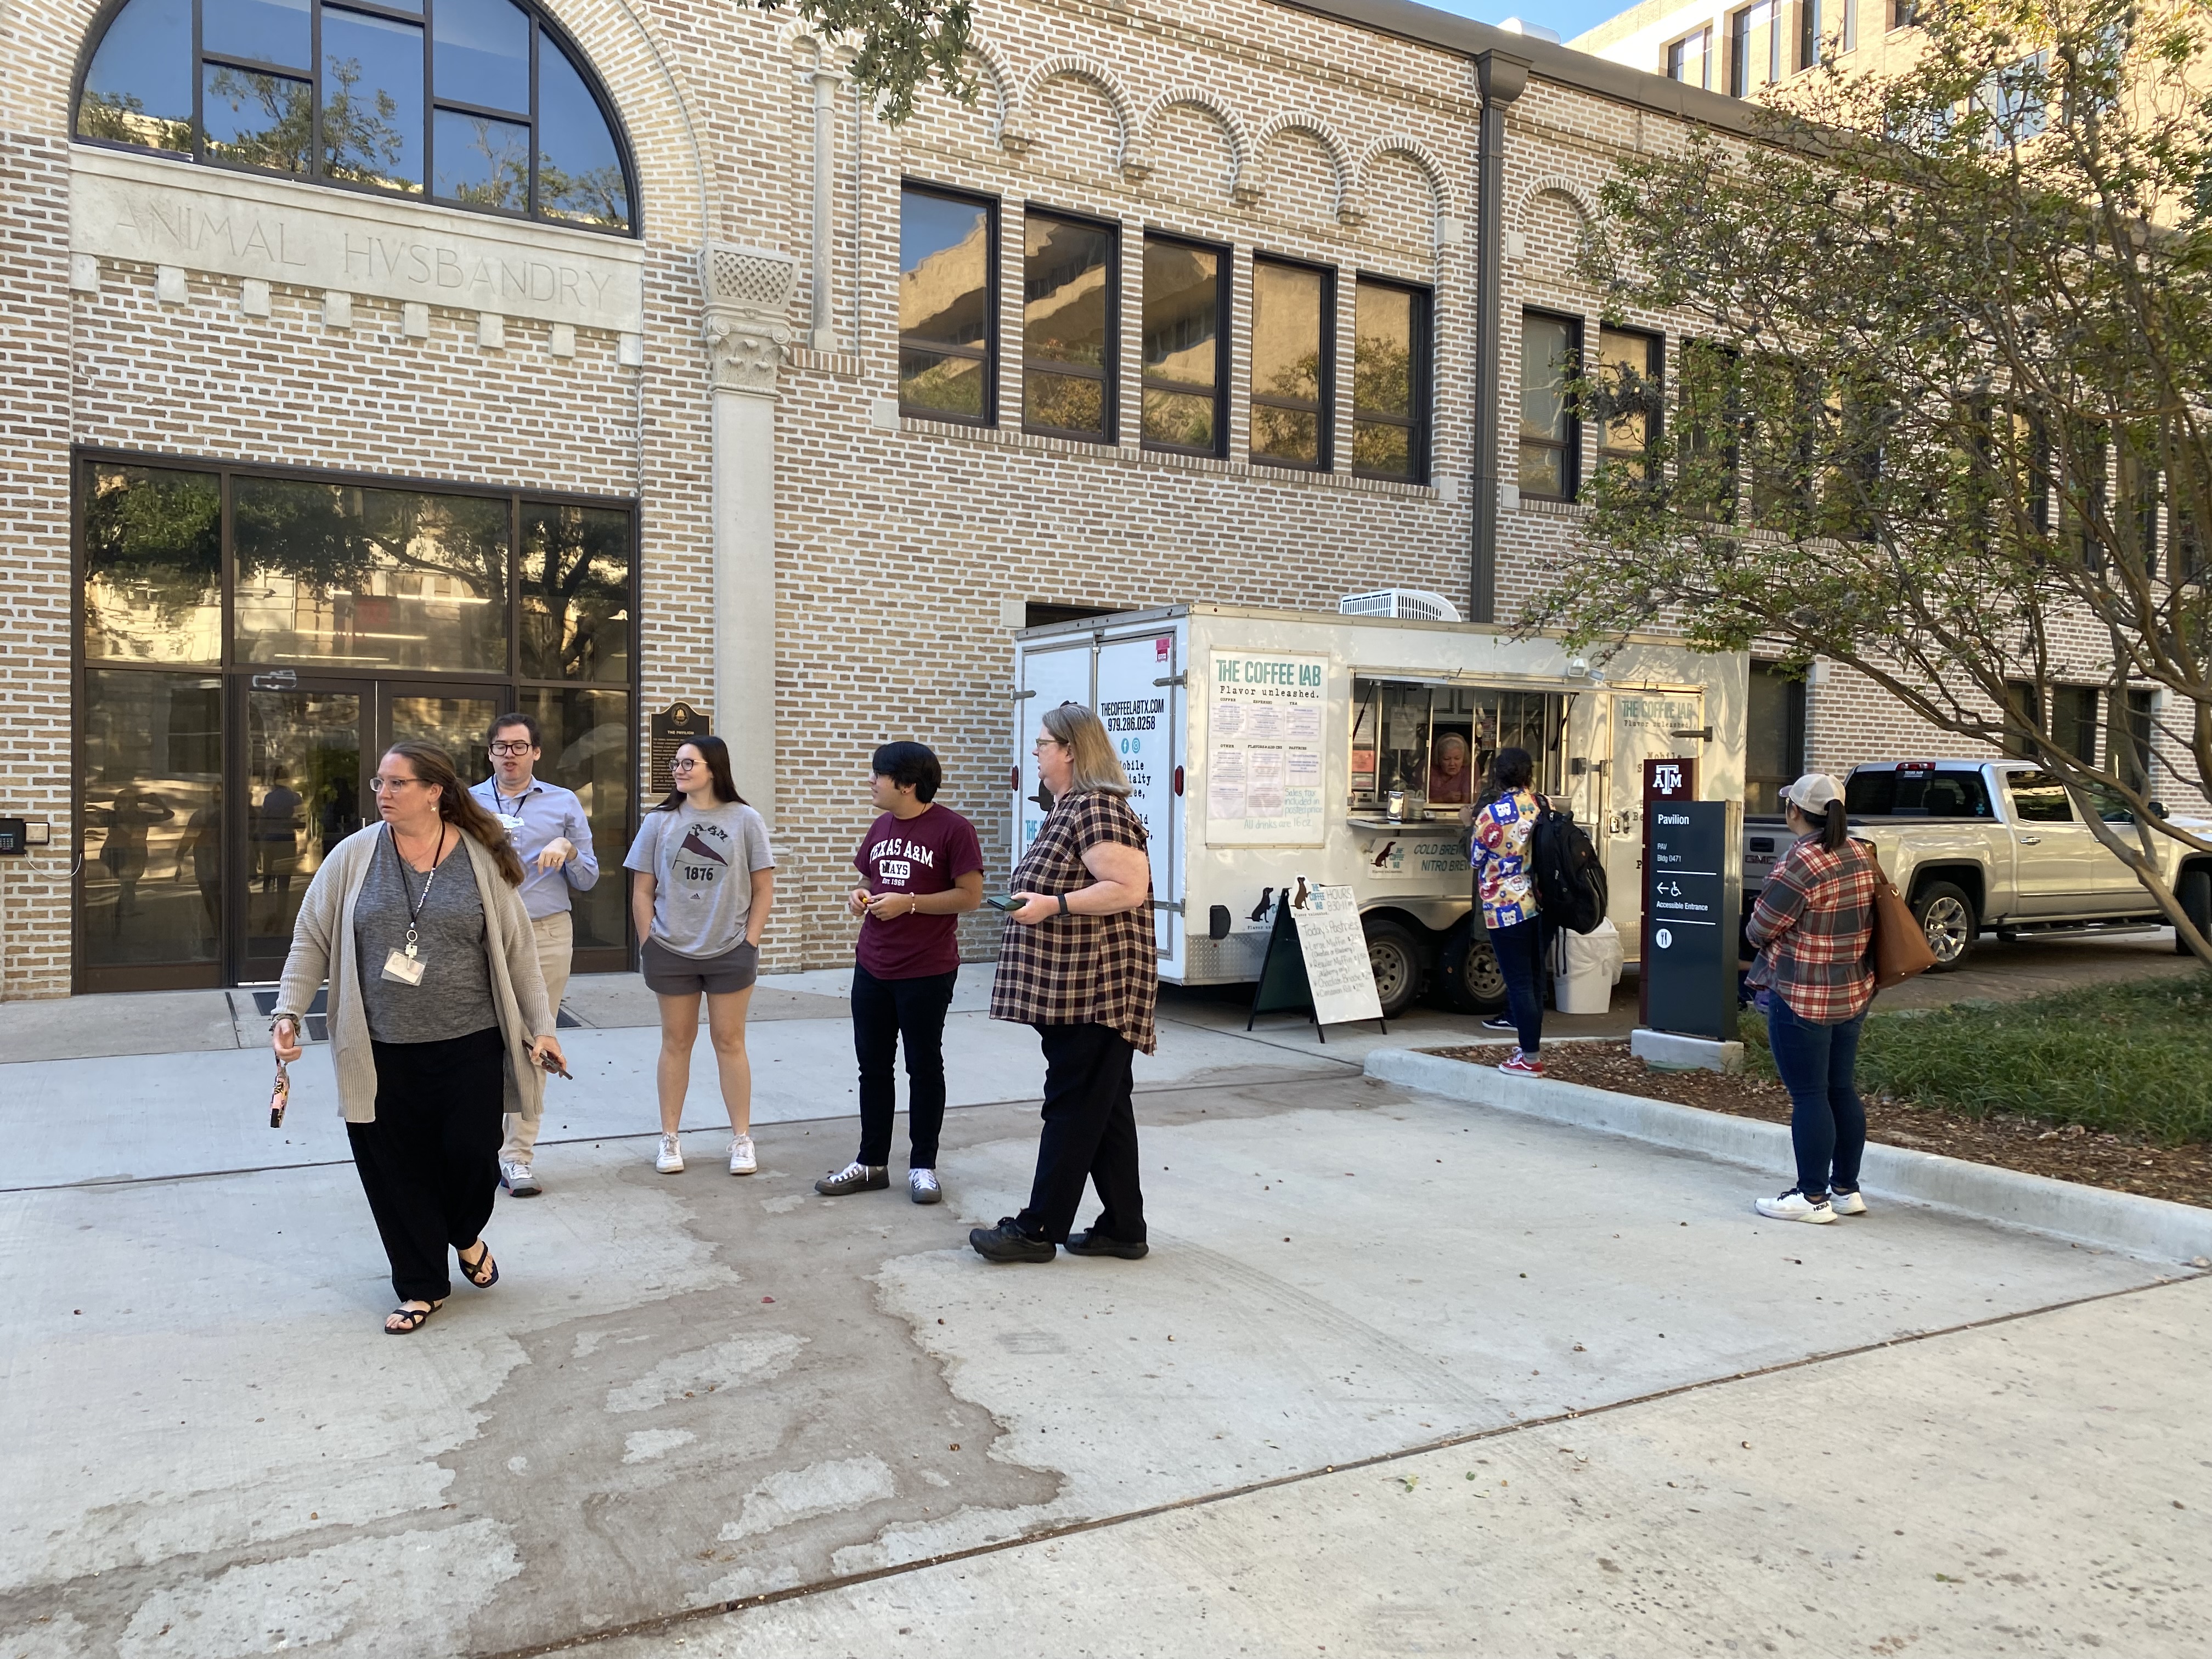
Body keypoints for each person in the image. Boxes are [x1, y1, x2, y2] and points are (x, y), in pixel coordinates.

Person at [269, 741, 565, 1335]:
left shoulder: (481, 859)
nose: (383, 793)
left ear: (434, 792)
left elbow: (520, 956)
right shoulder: (353, 857)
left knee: (470, 1160)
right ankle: (421, 1285)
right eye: (380, 782)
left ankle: (464, 1234)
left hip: (471, 1044)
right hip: (378, 1050)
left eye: (397, 783)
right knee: (395, 1174)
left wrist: (542, 1028)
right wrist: (289, 1013)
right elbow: (312, 939)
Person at [973, 703, 1157, 1263]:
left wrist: (1052, 903)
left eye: (1043, 743)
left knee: (1073, 1107)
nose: (1036, 752)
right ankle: (1124, 1228)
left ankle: (1037, 1229)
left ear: (1070, 750)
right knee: (1104, 1109)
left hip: (1097, 991)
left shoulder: (1097, 807)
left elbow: (1128, 887)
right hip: (1078, 990)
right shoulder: (1072, 808)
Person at [817, 742, 984, 1204]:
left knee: (923, 1066)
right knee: (872, 1067)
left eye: (878, 775)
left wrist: (910, 903)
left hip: (926, 969)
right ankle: (871, 1163)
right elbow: (872, 879)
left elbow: (970, 896)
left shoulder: (954, 830)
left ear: (907, 784)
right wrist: (860, 894)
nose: (871, 782)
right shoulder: (881, 826)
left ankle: (923, 1166)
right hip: (872, 963)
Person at [627, 736, 775, 1177]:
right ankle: (670, 1138)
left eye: (689, 763)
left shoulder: (745, 819)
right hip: (670, 949)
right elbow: (642, 889)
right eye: (677, 763)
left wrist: (750, 940)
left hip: (730, 948)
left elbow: (764, 886)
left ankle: (742, 1140)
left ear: (715, 768)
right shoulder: (660, 822)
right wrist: (647, 940)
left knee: (730, 1041)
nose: (680, 769)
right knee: (676, 1042)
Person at [469, 712, 599, 1198]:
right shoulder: (467, 802)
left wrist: (567, 848)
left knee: (537, 1041)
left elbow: (588, 878)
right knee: (480, 1042)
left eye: (520, 746)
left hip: (545, 933)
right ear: (490, 753)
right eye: (501, 747)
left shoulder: (564, 803)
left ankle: (518, 1157)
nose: (510, 755)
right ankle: (477, 1148)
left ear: (536, 752)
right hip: (481, 936)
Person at [1745, 772, 1878, 1224]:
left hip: (1802, 993)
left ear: (1795, 812)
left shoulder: (1801, 863)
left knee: (1808, 1095)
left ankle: (1811, 1197)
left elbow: (1760, 928)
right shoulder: (1862, 854)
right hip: (1853, 990)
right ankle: (1846, 1189)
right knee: (1841, 1088)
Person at [1468, 746, 1545, 1075]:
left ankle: (1530, 1057)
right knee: (1534, 981)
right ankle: (1530, 1048)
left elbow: (1475, 859)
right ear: (1529, 774)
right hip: (1538, 904)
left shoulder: (1490, 815)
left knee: (1519, 984)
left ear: (1497, 777)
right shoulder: (1542, 805)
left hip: (1503, 907)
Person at [1426, 733, 1472, 806]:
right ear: (1439, 758)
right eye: (1447, 759)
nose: (1452, 764)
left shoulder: (1471, 768)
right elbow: (1417, 801)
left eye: (1457, 758)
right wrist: (1442, 799)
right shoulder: (1427, 767)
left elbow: (1472, 802)